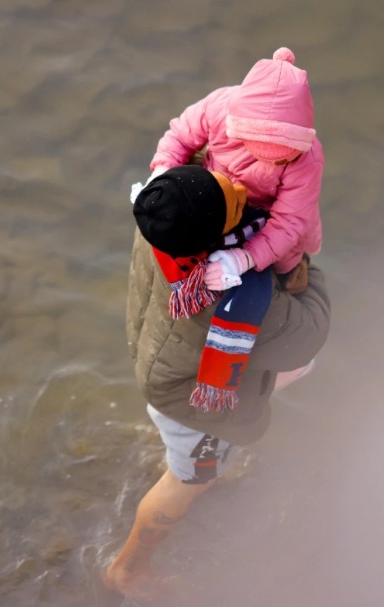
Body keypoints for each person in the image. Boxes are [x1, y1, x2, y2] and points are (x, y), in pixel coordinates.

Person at [104, 165, 331, 601]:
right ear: (216, 241)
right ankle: (127, 570)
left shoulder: (159, 215)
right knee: (187, 480)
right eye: (230, 196)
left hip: (156, 360)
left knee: (183, 453)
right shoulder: (233, 297)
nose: (239, 187)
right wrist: (299, 258)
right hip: (188, 400)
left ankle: (182, 460)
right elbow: (309, 331)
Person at [129, 46, 324, 295]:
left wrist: (245, 258)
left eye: (281, 158)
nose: (271, 163)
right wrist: (163, 173)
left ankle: (292, 272)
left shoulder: (308, 158)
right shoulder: (220, 108)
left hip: (266, 214)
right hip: (217, 198)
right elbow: (180, 137)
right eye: (257, 150)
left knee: (287, 260)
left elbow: (290, 222)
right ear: (237, 127)